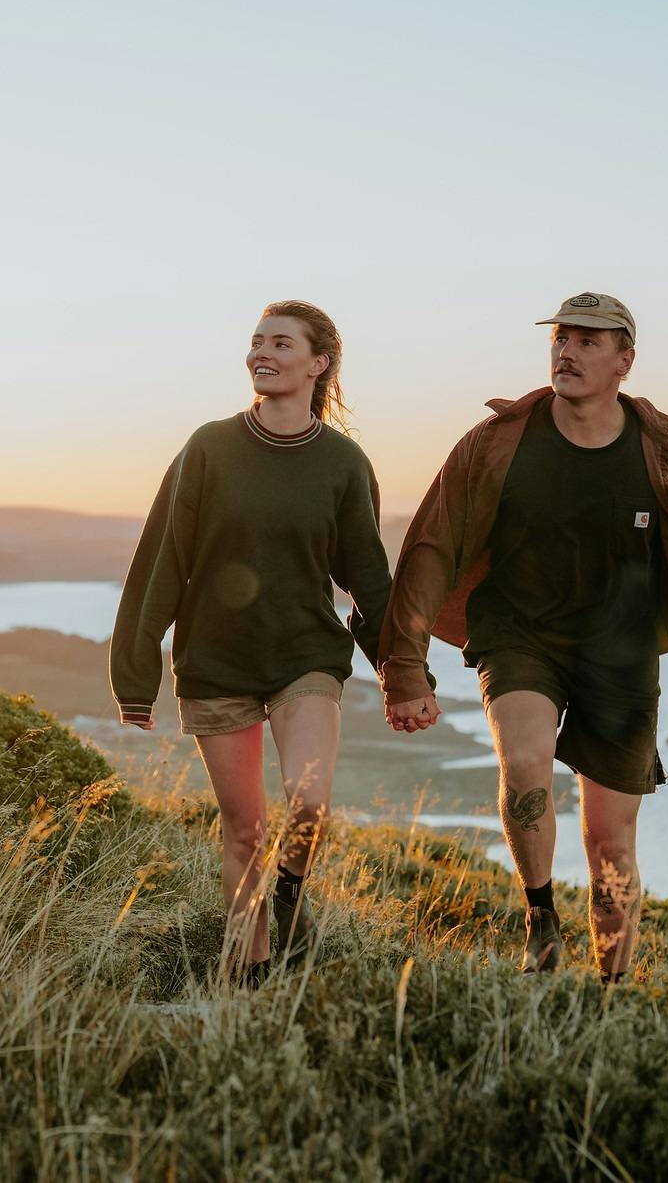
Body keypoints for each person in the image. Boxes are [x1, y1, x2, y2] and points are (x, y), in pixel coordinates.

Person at [377, 292, 668, 982]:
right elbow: (430, 545)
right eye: (560, 338)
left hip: (620, 652)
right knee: (524, 762)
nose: (566, 351)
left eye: (587, 340)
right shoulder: (496, 442)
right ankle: (540, 914)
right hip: (520, 634)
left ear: (624, 361)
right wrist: (403, 666)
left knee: (610, 840)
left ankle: (610, 989)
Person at [110, 300, 399, 985]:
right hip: (216, 663)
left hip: (304, 655)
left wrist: (400, 670)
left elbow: (366, 576)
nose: (260, 352)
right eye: (255, 341)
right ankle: (251, 971)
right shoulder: (208, 447)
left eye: (279, 341)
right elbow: (161, 558)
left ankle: (291, 894)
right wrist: (135, 671)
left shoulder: (342, 463)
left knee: (308, 801)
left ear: (318, 362)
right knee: (242, 831)